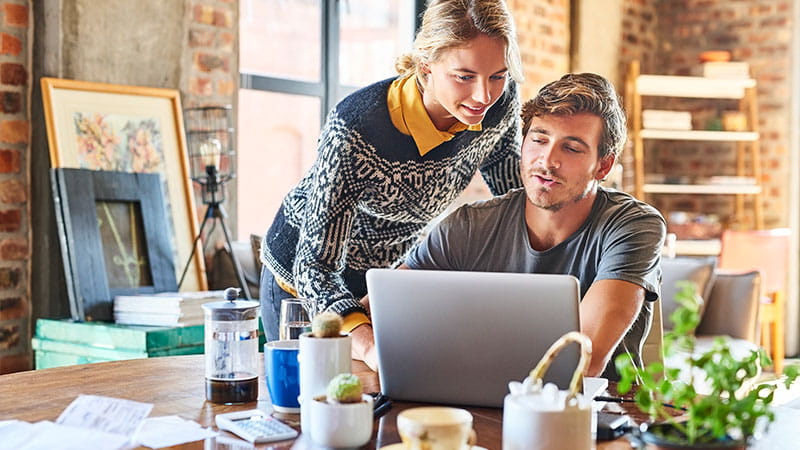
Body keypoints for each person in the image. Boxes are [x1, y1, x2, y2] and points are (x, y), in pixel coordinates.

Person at [357, 73, 666, 379]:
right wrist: (372, 352)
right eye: (539, 140)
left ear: (603, 166)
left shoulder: (634, 227)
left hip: (595, 414)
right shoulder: (467, 227)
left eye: (571, 148)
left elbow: (583, 359)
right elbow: (370, 313)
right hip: (472, 403)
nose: (547, 160)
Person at [260, 0, 525, 343]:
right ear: (426, 67)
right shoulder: (356, 127)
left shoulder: (498, 104)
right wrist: (367, 345)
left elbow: (514, 195)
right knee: (321, 394)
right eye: (464, 76)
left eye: (498, 76)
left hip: (382, 285)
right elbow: (315, 268)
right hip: (301, 285)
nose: (483, 94)